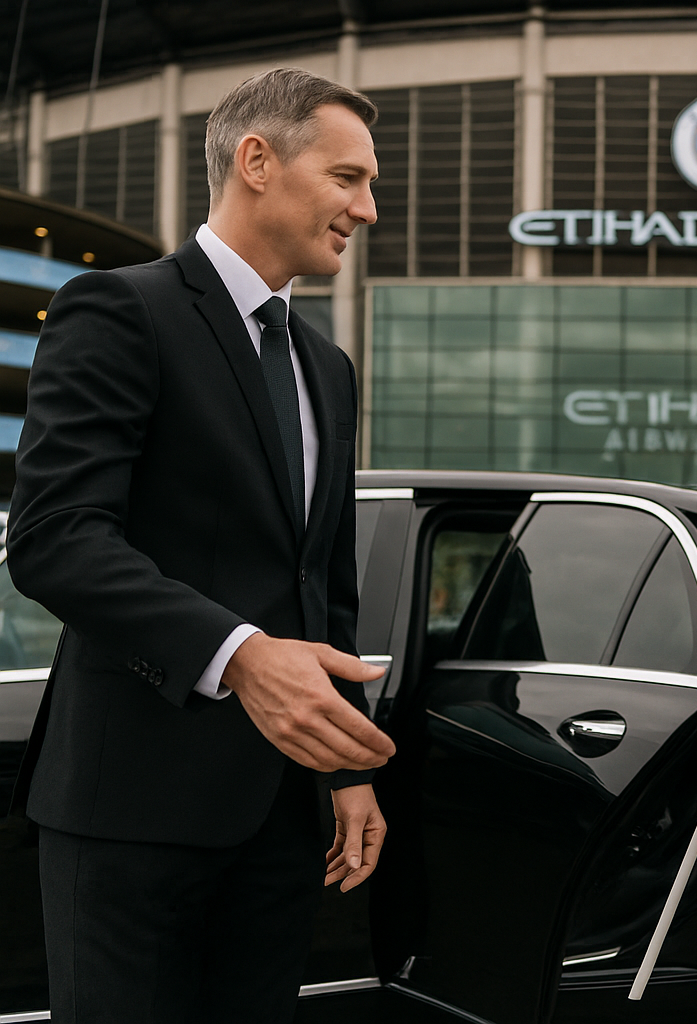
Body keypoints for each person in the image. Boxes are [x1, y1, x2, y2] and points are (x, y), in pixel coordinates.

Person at [7, 68, 396, 1024]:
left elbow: (321, 587)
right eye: (348, 177)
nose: (368, 208)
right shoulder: (119, 309)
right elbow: (54, 538)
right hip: (130, 806)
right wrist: (242, 656)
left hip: (277, 815)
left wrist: (344, 768)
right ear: (257, 161)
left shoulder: (327, 368)